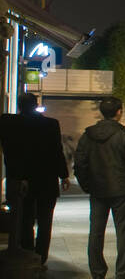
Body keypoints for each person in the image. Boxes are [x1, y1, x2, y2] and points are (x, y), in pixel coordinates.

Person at [73, 97, 125, 279]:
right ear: (119, 112)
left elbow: (80, 164)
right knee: (124, 232)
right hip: (122, 190)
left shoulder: (88, 136)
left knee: (96, 231)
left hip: (98, 190)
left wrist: (87, 185)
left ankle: (97, 273)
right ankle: (123, 272)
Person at [0, 93, 71, 267]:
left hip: (21, 180)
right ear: (36, 105)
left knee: (24, 219)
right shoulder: (50, 124)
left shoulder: (8, 123)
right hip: (46, 180)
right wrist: (64, 175)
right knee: (45, 220)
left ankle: (27, 252)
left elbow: (9, 151)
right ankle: (41, 257)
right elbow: (57, 151)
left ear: (19, 105)